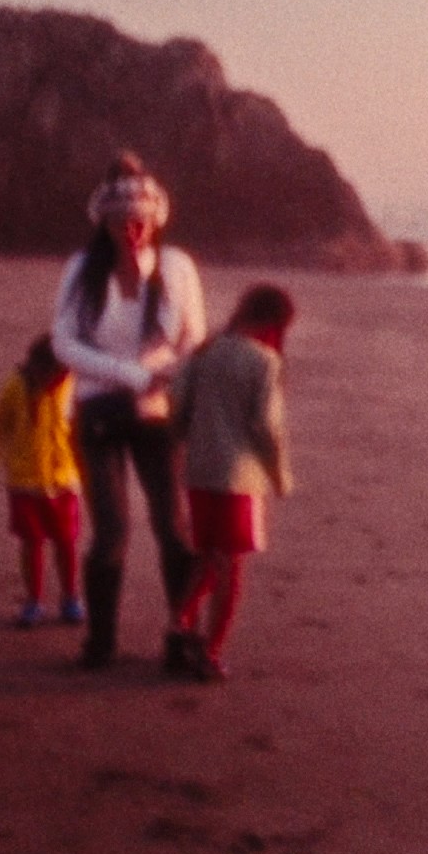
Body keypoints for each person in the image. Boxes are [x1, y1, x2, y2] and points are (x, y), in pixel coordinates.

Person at [54, 153, 209, 673]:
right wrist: (131, 375)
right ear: (106, 221)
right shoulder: (81, 269)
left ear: (156, 218)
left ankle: (181, 636)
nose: (134, 230)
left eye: (142, 220)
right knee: (112, 532)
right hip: (97, 414)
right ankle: (100, 644)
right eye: (124, 221)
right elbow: (64, 343)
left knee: (174, 529)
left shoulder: (177, 267)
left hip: (158, 415)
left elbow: (193, 337)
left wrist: (159, 373)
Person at [162, 283, 297, 681]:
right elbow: (266, 426)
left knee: (207, 556)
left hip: (200, 471)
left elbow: (177, 406)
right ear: (276, 323)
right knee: (230, 568)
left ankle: (178, 628)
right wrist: (280, 476)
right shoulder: (265, 361)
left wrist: (184, 448)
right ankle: (210, 650)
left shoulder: (205, 350)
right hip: (238, 477)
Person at [0, 333, 86, 629]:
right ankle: (34, 600)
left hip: (63, 480)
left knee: (66, 542)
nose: (55, 380)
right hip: (25, 481)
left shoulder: (70, 384)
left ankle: (70, 597)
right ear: (37, 367)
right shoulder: (15, 386)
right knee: (31, 542)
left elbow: (78, 429)